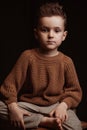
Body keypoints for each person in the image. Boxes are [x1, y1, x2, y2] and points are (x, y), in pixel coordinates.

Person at [0, 1, 82, 130]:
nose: (50, 35)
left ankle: (46, 120)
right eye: (45, 30)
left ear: (64, 35)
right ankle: (43, 121)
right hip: (29, 105)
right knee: (2, 109)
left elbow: (74, 92)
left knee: (76, 127)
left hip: (55, 106)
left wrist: (63, 106)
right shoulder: (27, 57)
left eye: (56, 31)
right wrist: (13, 107)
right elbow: (9, 86)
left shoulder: (66, 62)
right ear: (36, 33)